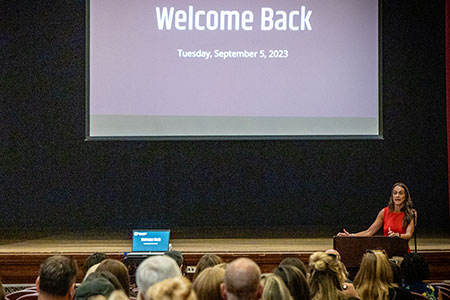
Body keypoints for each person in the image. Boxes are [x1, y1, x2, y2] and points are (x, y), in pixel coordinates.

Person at [337, 183, 416, 240]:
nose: (397, 196)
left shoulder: (410, 213)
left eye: (400, 193)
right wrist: (350, 236)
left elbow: (408, 235)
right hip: (387, 251)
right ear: (392, 196)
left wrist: (398, 235)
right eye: (395, 193)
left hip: (403, 252)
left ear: (405, 196)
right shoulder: (384, 212)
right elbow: (369, 232)